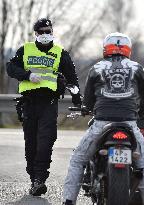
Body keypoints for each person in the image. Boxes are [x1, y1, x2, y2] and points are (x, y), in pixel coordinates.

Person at [62, 32, 144, 205]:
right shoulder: (136, 68)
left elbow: (89, 98)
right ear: (128, 49)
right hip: (129, 124)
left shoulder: (97, 68)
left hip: (101, 123)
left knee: (78, 160)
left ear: (106, 49)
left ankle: (68, 201)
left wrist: (87, 108)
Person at [6, 18, 81, 196]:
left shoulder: (60, 53)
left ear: (52, 32)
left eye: (49, 31)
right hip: (29, 104)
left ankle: (40, 179)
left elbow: (72, 78)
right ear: (36, 34)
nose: (46, 34)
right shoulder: (25, 49)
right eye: (42, 32)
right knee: (31, 144)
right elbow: (10, 67)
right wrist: (26, 75)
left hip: (49, 104)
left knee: (46, 142)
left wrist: (77, 100)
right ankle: (34, 179)